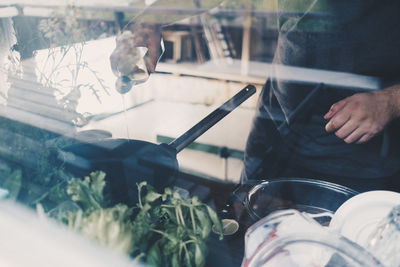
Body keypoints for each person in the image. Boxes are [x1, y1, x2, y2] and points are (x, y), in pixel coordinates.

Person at [110, 0, 400, 192]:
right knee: (249, 225)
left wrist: (391, 101)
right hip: (274, 122)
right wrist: (152, 19)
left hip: (359, 152)